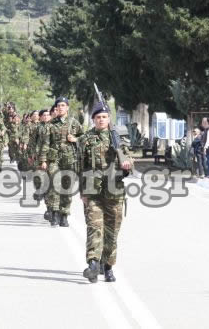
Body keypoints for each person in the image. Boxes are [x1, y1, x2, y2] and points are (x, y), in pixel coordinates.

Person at [79, 100, 133, 283]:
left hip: (114, 191)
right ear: (93, 120)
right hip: (93, 191)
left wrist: (126, 164)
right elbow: (81, 167)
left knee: (111, 232)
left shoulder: (118, 137)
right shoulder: (86, 139)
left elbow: (128, 161)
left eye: (104, 117)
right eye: (98, 117)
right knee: (94, 228)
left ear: (109, 118)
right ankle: (93, 264)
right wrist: (82, 192)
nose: (101, 120)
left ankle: (108, 266)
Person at [39, 97, 84, 227]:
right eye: (58, 106)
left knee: (67, 187)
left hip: (70, 158)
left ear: (67, 108)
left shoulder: (74, 123)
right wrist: (43, 160)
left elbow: (84, 137)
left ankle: (64, 215)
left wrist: (75, 139)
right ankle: (54, 213)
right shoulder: (51, 124)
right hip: (54, 159)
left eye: (63, 105)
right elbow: (46, 143)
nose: (60, 108)